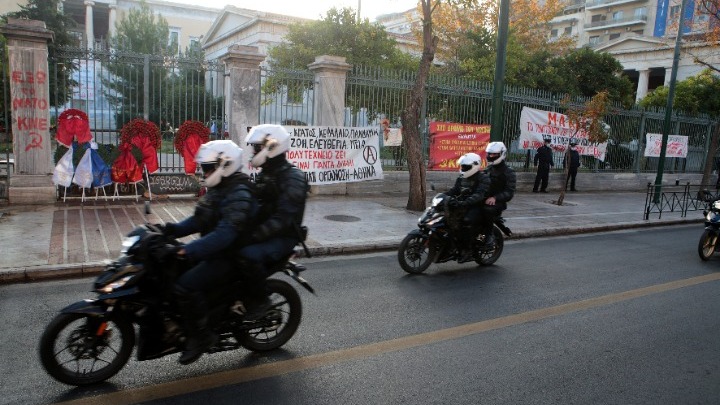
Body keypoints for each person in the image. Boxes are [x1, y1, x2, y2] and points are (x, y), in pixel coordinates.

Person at [161, 140, 259, 365]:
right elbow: (199, 219)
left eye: (208, 167)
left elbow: (226, 234)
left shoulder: (239, 192)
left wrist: (188, 250)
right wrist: (170, 230)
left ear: (226, 164)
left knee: (185, 286)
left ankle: (202, 336)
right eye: (204, 167)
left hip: (232, 255)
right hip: (216, 250)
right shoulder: (219, 188)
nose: (204, 172)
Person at [238, 124, 309, 318]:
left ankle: (261, 301)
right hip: (265, 231)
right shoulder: (268, 172)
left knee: (247, 255)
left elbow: (283, 219)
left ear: (271, 148)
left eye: (257, 148)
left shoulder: (293, 178)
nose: (253, 152)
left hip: (282, 237)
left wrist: (253, 236)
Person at [446, 152, 490, 263]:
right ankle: (450, 246)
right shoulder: (461, 178)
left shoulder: (483, 178)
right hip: (463, 205)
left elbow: (479, 195)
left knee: (466, 222)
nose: (463, 168)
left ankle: (467, 251)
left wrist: (466, 202)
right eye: (462, 166)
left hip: (477, 207)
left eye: (466, 167)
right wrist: (443, 196)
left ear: (475, 166)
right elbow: (454, 190)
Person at [480, 142, 516, 247]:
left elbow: (509, 192)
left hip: (497, 203)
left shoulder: (509, 172)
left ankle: (488, 235)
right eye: (490, 154)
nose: (491, 156)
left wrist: (495, 198)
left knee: (487, 210)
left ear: (502, 154)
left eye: (494, 154)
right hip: (484, 198)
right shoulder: (488, 169)